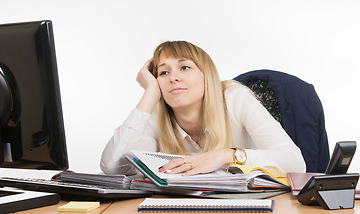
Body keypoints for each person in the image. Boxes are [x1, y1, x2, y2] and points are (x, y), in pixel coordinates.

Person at [100, 41, 306, 176]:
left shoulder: (236, 98)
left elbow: (295, 163)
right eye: (163, 73)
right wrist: (150, 94)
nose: (173, 77)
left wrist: (227, 155)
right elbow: (113, 167)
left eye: (185, 67)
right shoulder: (156, 113)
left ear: (206, 75)